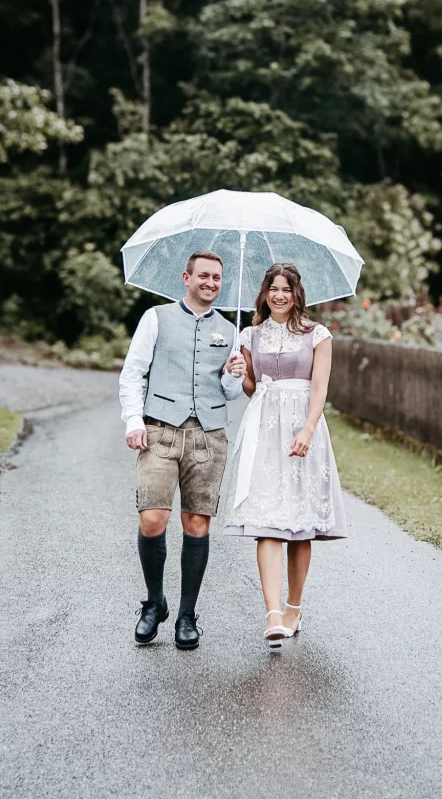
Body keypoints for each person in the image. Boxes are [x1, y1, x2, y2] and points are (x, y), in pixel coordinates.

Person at [119, 250, 247, 650]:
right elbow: (133, 371)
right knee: (152, 519)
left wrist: (233, 375)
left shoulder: (231, 331)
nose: (211, 283)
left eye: (217, 279)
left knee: (197, 525)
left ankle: (187, 616)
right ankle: (154, 604)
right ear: (186, 277)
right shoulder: (155, 318)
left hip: (208, 437)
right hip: (159, 430)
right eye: (204, 276)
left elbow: (229, 395)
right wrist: (133, 421)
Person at [223, 263, 347, 648]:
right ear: (264, 293)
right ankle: (273, 614)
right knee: (266, 520)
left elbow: (320, 388)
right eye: (273, 288)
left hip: (300, 430)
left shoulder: (317, 335)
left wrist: (308, 428)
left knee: (299, 524)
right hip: (264, 428)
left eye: (286, 289)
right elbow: (250, 388)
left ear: (297, 295)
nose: (279, 295)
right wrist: (238, 369)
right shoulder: (251, 334)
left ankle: (294, 606)